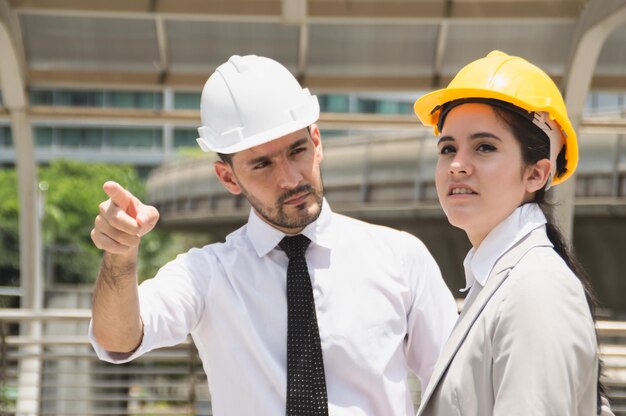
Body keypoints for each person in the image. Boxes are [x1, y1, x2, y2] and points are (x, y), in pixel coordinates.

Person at [89, 54, 458, 415]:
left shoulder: (400, 257)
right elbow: (117, 339)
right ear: (228, 177)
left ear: (317, 142)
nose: (290, 178)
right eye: (262, 163)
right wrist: (120, 259)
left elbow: (454, 386)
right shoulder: (205, 274)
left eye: (297, 150)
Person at [413, 50, 613, 416]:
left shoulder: (535, 289)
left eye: (484, 147)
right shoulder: (503, 281)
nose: (457, 165)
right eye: (448, 148)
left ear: (536, 174)